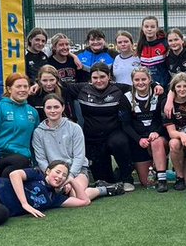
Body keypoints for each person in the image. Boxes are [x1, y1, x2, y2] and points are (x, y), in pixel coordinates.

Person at [60, 62, 133, 191]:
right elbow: (58, 84)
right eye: (95, 78)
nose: (99, 81)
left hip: (114, 134)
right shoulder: (82, 88)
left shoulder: (119, 88)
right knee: (105, 181)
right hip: (92, 138)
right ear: (90, 78)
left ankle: (127, 177)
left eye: (102, 77)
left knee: (120, 142)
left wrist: (156, 86)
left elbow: (140, 85)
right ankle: (112, 174)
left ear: (109, 76)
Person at [31, 93, 95, 200]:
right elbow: (41, 159)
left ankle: (103, 189)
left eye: (56, 107)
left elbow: (79, 157)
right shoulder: (38, 132)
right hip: (52, 173)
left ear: (63, 107)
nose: (52, 111)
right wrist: (53, 177)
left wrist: (69, 178)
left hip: (77, 171)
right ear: (44, 109)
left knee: (75, 196)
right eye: (49, 107)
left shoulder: (75, 128)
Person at [0, 72, 40, 178]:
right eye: (18, 86)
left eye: (25, 86)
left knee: (22, 162)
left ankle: (2, 189)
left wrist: (36, 163)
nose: (22, 89)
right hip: (1, 158)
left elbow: (35, 141)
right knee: (19, 161)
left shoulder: (33, 112)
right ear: (9, 89)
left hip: (25, 160)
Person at [121, 66, 168, 191]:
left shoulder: (159, 94)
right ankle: (157, 167)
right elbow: (125, 125)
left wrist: (157, 132)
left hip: (158, 138)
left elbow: (165, 120)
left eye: (143, 79)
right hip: (139, 141)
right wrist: (138, 139)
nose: (140, 82)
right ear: (132, 81)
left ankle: (162, 177)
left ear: (149, 80)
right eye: (137, 80)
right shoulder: (126, 97)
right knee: (147, 182)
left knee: (156, 142)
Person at [136, 16, 171, 87]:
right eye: (146, 26)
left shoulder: (165, 43)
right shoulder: (140, 45)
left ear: (157, 28)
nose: (149, 29)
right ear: (142, 28)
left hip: (163, 86)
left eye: (152, 27)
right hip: (147, 87)